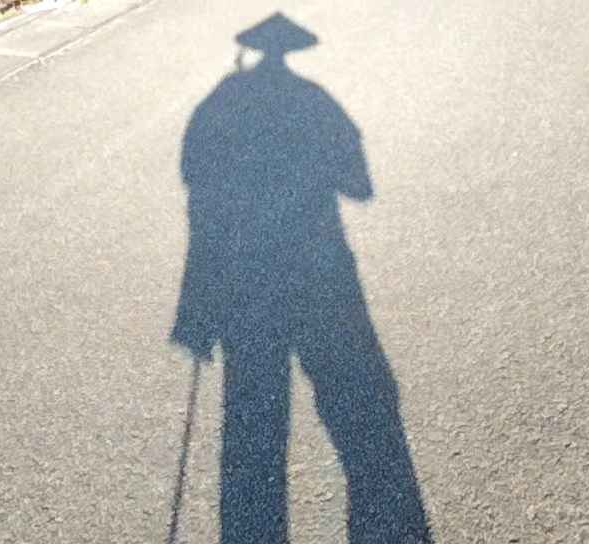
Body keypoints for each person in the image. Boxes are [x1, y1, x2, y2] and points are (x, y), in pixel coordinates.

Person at [172, 13, 432, 543]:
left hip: (243, 281)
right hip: (318, 273)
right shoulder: (314, 102)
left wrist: (196, 314)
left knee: (253, 428)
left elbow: (201, 206)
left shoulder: (216, 108)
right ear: (292, 51)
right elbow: (359, 185)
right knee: (360, 409)